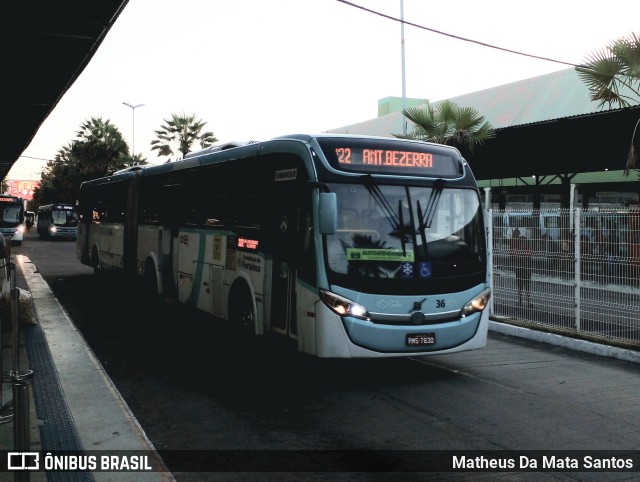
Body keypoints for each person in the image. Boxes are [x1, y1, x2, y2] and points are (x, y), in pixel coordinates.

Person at [511, 227, 533, 306]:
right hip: (524, 269)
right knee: (523, 286)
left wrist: (519, 255)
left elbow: (515, 254)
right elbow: (515, 254)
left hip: (521, 269)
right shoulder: (526, 249)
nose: (523, 244)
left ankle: (524, 302)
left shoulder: (523, 249)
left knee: (523, 286)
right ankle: (525, 302)